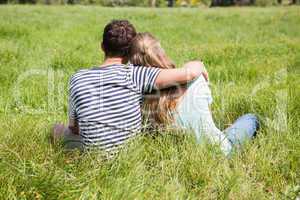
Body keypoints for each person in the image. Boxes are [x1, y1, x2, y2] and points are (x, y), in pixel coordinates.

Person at [52, 20, 206, 156]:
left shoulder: (77, 77)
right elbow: (190, 72)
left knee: (57, 129)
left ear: (102, 47)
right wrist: (199, 63)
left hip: (92, 155)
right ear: (130, 53)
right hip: (129, 153)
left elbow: (74, 127)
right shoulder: (137, 74)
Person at [129, 32, 259, 156]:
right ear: (161, 53)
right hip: (219, 152)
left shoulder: (138, 95)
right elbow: (207, 120)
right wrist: (197, 64)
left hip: (177, 156)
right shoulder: (196, 80)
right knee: (251, 118)